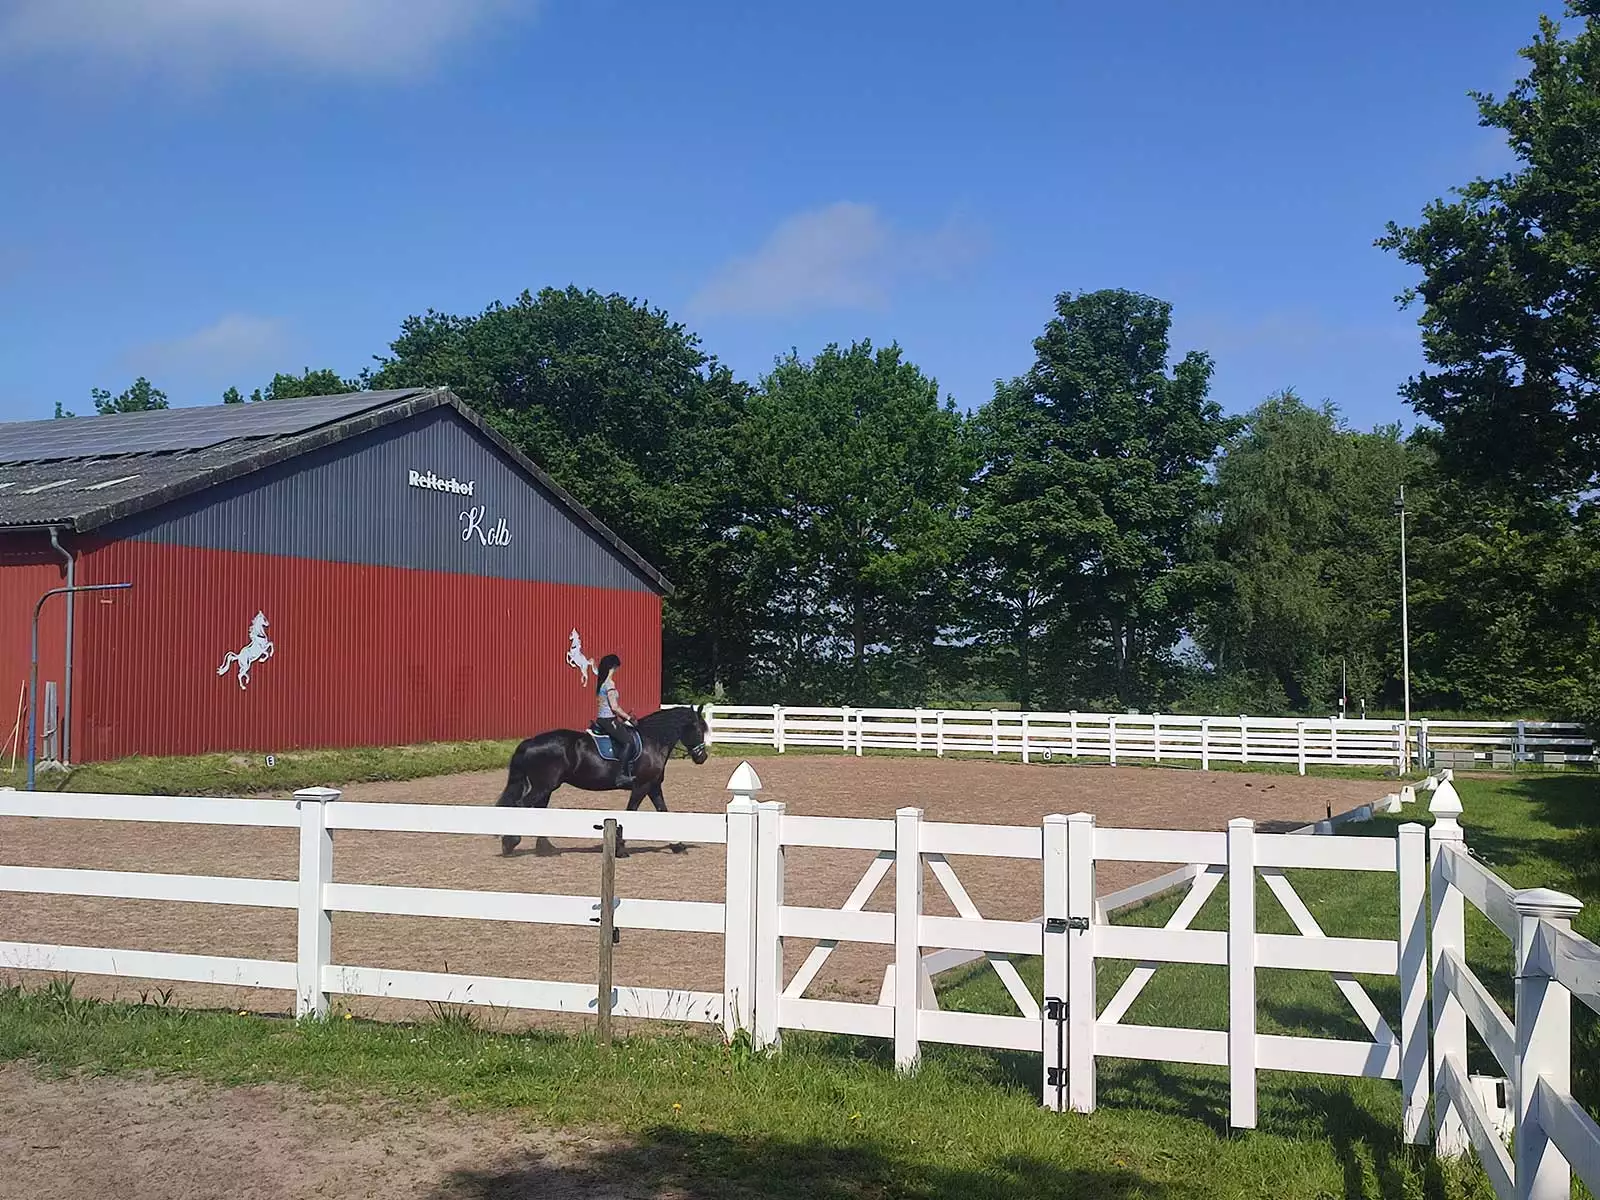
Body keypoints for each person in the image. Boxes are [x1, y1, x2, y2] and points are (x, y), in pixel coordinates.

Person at [593, 653, 639, 787]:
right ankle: (621, 775)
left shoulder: (601, 683)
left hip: (602, 719)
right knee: (628, 742)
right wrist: (629, 717)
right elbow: (614, 707)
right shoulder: (609, 684)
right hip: (608, 720)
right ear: (613, 667)